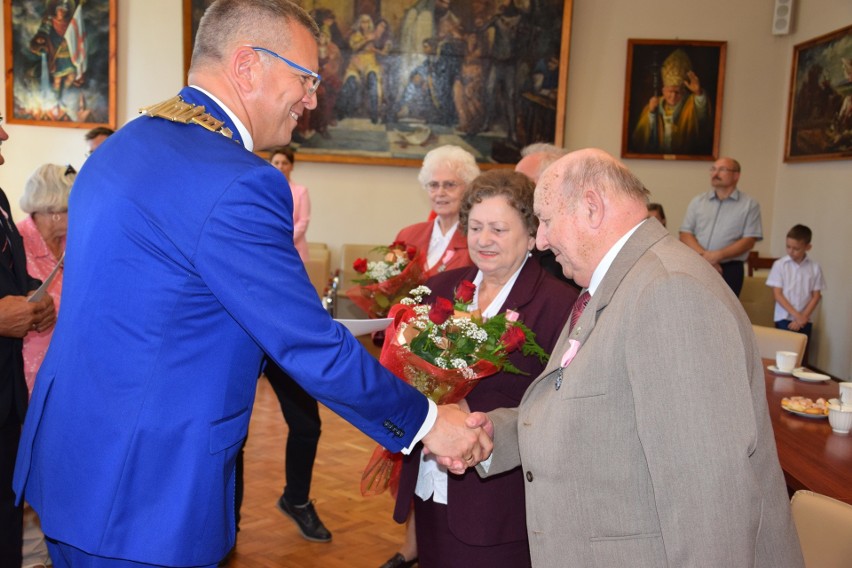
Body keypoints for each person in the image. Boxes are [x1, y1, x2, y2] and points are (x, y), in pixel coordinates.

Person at [12, 2, 490, 566]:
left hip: (75, 463)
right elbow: (307, 342)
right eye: (305, 78)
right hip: (147, 490)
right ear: (247, 66)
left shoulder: (124, 143)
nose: (312, 100)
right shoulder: (238, 181)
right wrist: (429, 422)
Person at [471, 148, 803, 567]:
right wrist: (492, 435)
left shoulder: (670, 290)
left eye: (548, 221)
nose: (540, 240)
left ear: (591, 207)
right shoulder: (618, 282)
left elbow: (709, 499)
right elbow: (591, 408)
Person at [389, 170, 577, 568]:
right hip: (430, 476)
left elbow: (560, 406)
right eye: (474, 227)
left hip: (497, 497)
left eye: (498, 228)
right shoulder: (441, 288)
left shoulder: (558, 305)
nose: (483, 239)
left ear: (531, 236)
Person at [0, 120, 57, 567]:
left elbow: (15, 282)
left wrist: (36, 301)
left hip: (8, 395)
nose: (4, 137)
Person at [17, 164, 73, 397]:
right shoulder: (17, 243)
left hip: (67, 368)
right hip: (27, 374)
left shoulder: (71, 242)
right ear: (55, 210)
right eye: (75, 206)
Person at [679, 157, 762, 296]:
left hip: (730, 269)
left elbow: (749, 240)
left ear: (736, 176)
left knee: (725, 315)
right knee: (693, 309)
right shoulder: (698, 201)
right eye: (713, 169)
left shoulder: (749, 204)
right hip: (697, 264)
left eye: (722, 169)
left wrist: (717, 256)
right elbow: (685, 233)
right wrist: (705, 258)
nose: (715, 173)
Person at [395, 145, 479, 279]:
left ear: (468, 188)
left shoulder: (476, 240)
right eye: (433, 185)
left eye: (450, 185)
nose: (440, 193)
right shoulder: (407, 236)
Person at [631, 48, 712, 155]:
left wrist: (698, 93)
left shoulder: (690, 103)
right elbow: (641, 137)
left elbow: (702, 116)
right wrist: (651, 113)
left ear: (684, 92)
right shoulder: (654, 104)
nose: (673, 96)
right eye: (670, 91)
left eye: (677, 92)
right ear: (663, 91)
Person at [766, 224, 826, 365]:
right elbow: (778, 295)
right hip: (784, 318)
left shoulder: (814, 268)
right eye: (788, 247)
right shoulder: (780, 265)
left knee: (800, 357)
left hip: (805, 319)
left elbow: (816, 295)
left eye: (796, 248)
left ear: (808, 247)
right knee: (783, 356)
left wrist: (802, 317)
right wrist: (796, 316)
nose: (791, 251)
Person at [269, 146, 310, 261]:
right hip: (270, 248)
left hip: (295, 250)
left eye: (284, 163)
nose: (280, 166)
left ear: (291, 166)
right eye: (276, 163)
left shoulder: (301, 191)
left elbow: (303, 222)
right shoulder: (264, 191)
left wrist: (283, 239)